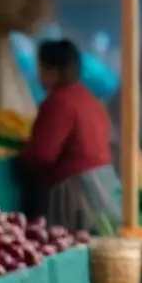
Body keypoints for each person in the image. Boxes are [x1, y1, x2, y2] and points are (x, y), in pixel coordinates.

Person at [18, 39, 120, 232]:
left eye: (40, 68)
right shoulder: (87, 98)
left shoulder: (59, 102)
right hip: (103, 185)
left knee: (73, 246)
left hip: (75, 191)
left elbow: (43, 154)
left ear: (52, 72)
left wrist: (24, 156)